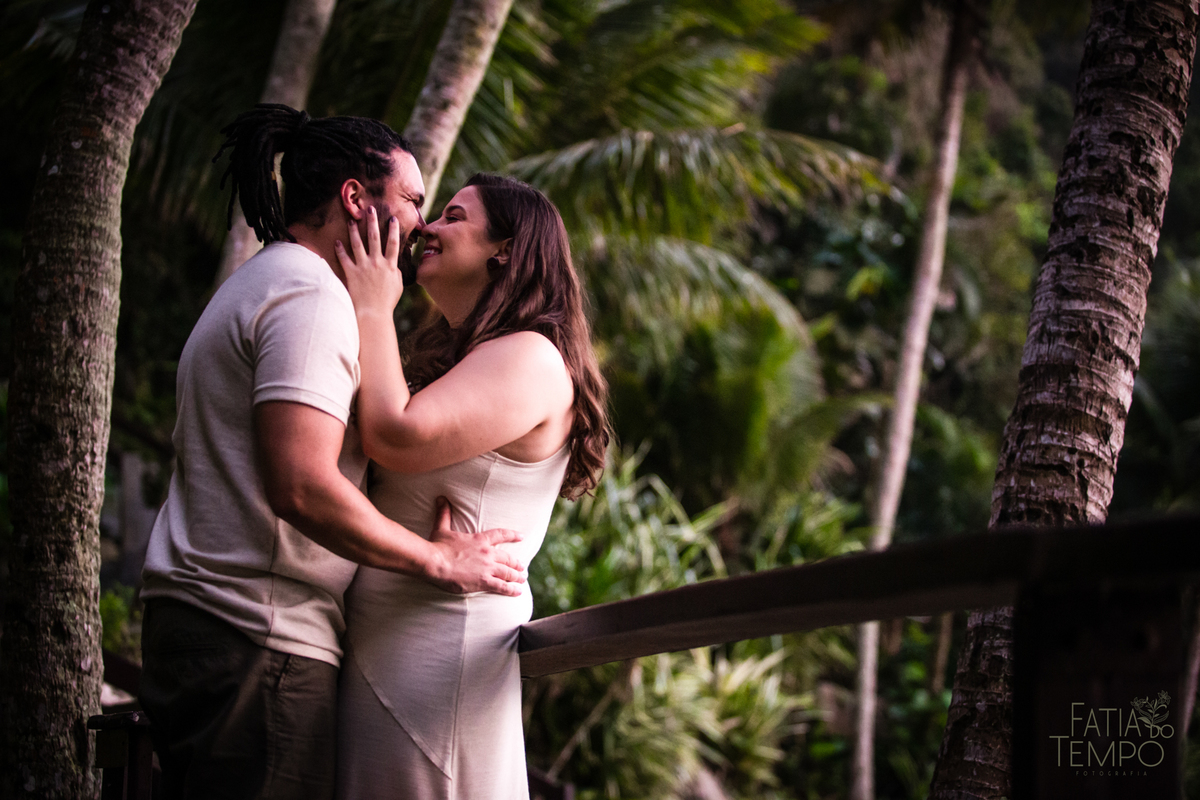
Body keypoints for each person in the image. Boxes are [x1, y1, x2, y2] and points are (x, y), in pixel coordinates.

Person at [138, 106, 528, 800]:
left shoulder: (262, 279)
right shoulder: (311, 296)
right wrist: (437, 560)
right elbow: (302, 483)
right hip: (257, 635)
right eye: (413, 200)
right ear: (355, 197)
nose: (420, 225)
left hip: (210, 625)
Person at [332, 173, 610, 799]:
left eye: (453, 217)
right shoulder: (469, 355)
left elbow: (394, 435)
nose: (427, 227)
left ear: (505, 249)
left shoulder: (532, 355)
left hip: (437, 655)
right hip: (389, 642)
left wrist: (373, 303)